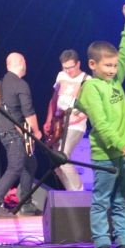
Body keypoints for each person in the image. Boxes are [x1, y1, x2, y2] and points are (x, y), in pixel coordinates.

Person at [75, 16, 125, 248]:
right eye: (107, 66)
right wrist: (119, 143)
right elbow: (101, 124)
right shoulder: (91, 88)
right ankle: (102, 246)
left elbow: (124, 54)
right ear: (92, 64)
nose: (113, 70)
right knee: (101, 201)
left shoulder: (115, 81)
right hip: (106, 155)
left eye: (114, 66)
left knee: (120, 201)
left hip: (123, 155)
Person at [0, 52, 41, 217]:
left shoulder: (0, 84)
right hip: (14, 134)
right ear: (22, 63)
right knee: (16, 167)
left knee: (30, 164)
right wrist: (36, 132)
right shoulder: (21, 84)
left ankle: (26, 203)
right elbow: (29, 113)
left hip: (5, 132)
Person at [47, 50, 89, 190]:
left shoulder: (87, 80)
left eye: (71, 67)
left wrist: (73, 119)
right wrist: (49, 120)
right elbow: (54, 99)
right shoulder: (61, 76)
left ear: (78, 64)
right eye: (65, 67)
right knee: (56, 161)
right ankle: (71, 193)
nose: (68, 71)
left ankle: (79, 191)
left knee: (63, 156)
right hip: (58, 124)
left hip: (75, 125)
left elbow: (89, 107)